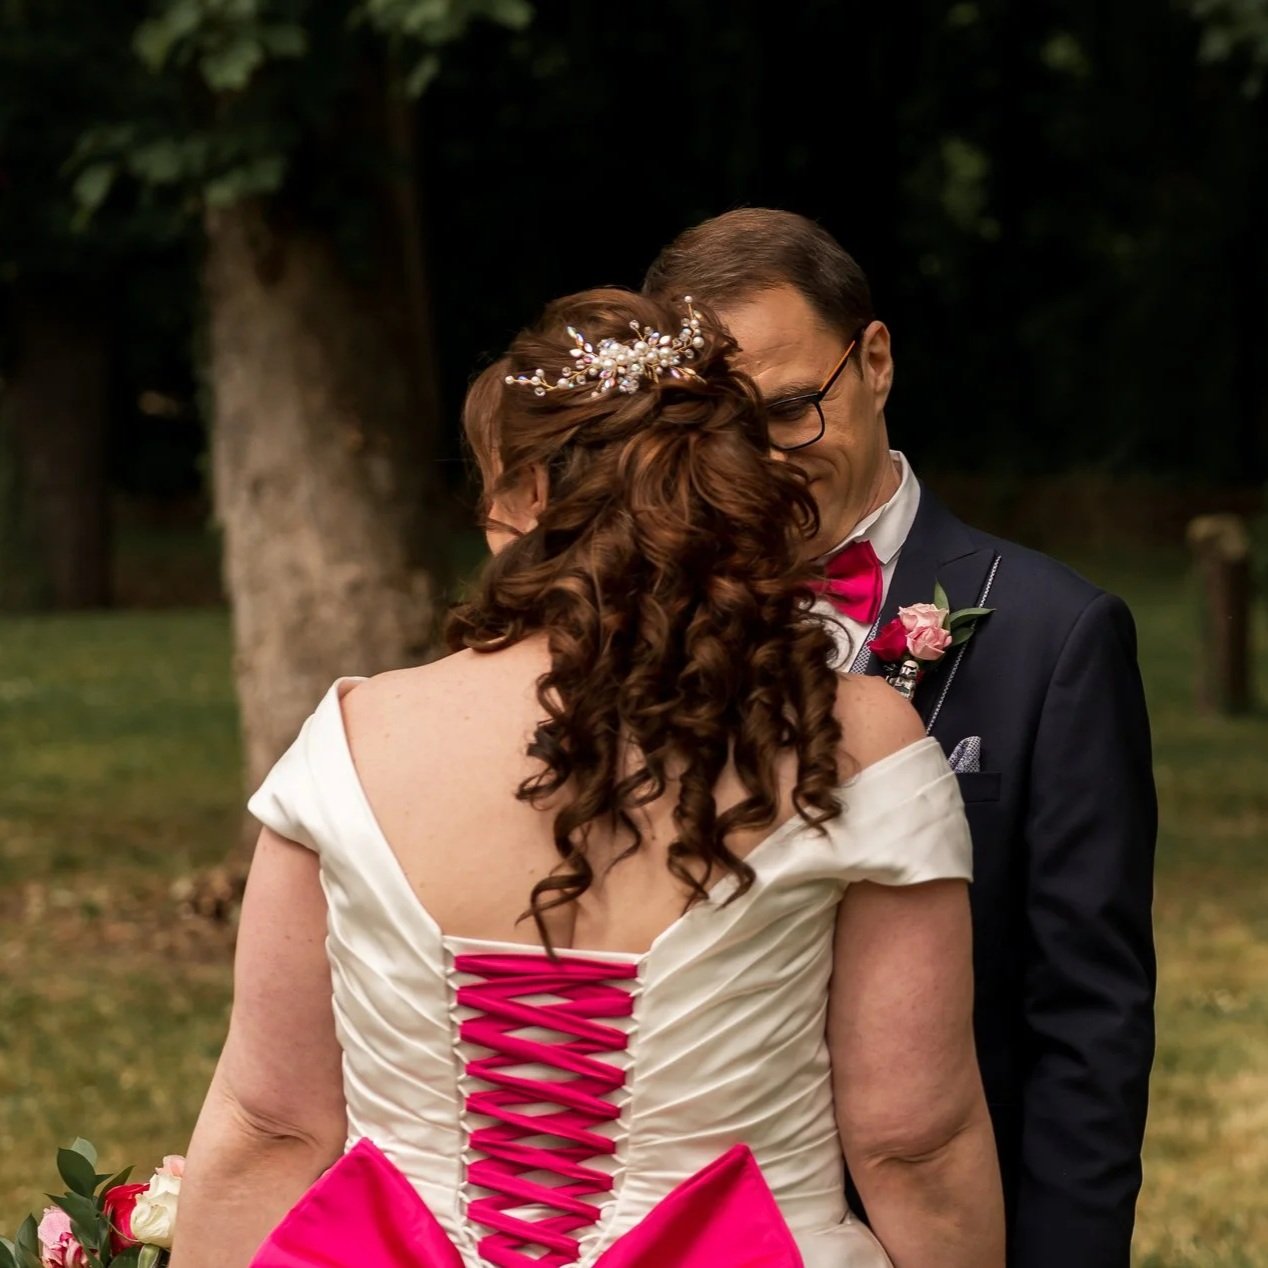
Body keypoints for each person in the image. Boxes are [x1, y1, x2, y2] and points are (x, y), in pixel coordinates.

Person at [170, 289, 1003, 1268]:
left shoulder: (359, 735)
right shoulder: (855, 739)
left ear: (526, 494)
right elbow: (910, 1141)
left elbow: (271, 1123)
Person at [643, 209, 1156, 1268]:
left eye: (789, 410)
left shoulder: (1049, 635)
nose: (762, 464)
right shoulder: (635, 632)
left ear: (872, 360)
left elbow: (1084, 1017)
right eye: (717, 427)